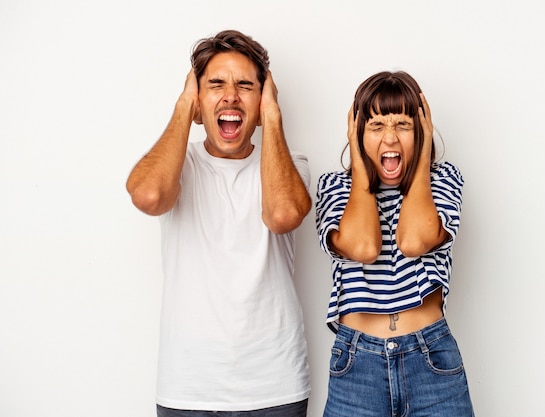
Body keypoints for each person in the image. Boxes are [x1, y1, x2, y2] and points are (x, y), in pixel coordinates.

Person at [126, 30, 311, 416]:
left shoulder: (291, 167)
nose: (231, 96)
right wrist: (183, 108)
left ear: (262, 100)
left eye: (246, 85)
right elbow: (148, 196)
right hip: (188, 389)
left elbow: (282, 215)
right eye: (215, 85)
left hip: (275, 388)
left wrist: (273, 117)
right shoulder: (178, 167)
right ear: (197, 101)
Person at [315, 71, 474, 416]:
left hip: (432, 360)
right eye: (375, 126)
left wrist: (422, 153)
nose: (390, 138)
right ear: (357, 135)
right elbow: (363, 247)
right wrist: (359, 164)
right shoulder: (335, 187)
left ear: (421, 130)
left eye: (403, 125)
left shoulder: (443, 181)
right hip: (356, 366)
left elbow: (414, 240)